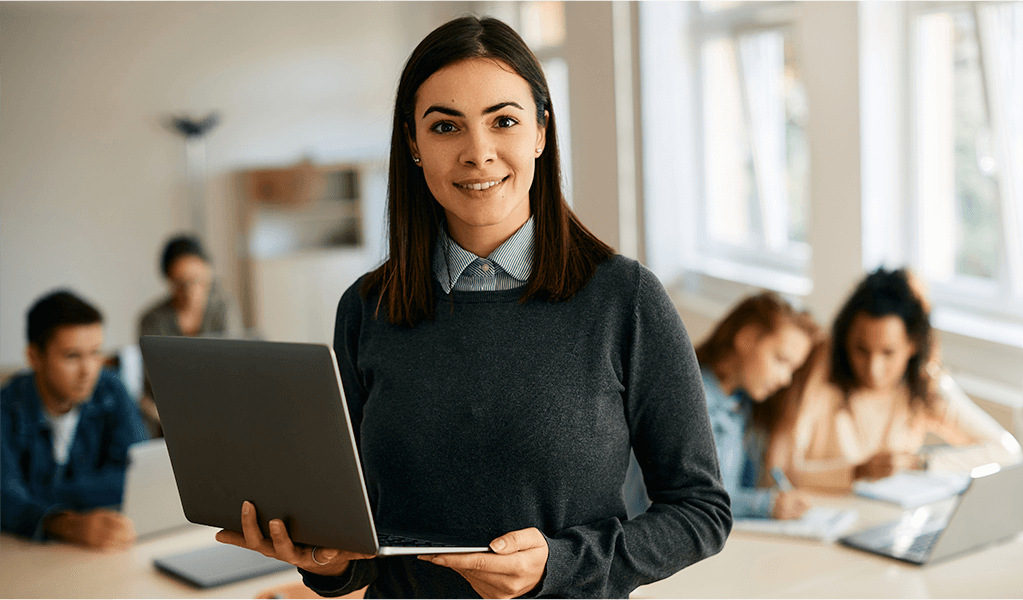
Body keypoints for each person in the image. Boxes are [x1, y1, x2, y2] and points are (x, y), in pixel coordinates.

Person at [216, 15, 732, 600]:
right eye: (445, 127)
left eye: (504, 121)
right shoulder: (367, 308)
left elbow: (701, 510)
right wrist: (327, 561)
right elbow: (357, 541)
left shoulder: (625, 300)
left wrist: (557, 566)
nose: (478, 154)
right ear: (413, 144)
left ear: (540, 132)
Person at [769, 267, 1023, 492]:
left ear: (913, 345)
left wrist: (919, 464)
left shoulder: (923, 383)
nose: (873, 369)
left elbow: (1007, 454)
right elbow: (778, 472)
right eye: (861, 350)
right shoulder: (821, 365)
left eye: (888, 353)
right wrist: (856, 472)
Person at [0, 290, 146, 549]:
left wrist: (46, 495)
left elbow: (140, 476)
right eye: (72, 356)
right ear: (34, 357)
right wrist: (68, 524)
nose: (88, 370)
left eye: (95, 353)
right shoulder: (7, 407)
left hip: (107, 546)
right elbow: (7, 498)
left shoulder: (112, 390)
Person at [695, 293, 819, 520]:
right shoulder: (688, 401)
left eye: (793, 369)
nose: (786, 379)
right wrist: (766, 505)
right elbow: (692, 500)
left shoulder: (740, 405)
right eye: (781, 360)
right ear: (747, 338)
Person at [138, 233, 236, 436]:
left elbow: (233, 366)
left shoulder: (224, 308)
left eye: (198, 281)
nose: (191, 291)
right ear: (168, 280)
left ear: (208, 273)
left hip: (220, 407)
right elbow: (153, 382)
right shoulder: (152, 320)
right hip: (168, 415)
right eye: (180, 283)